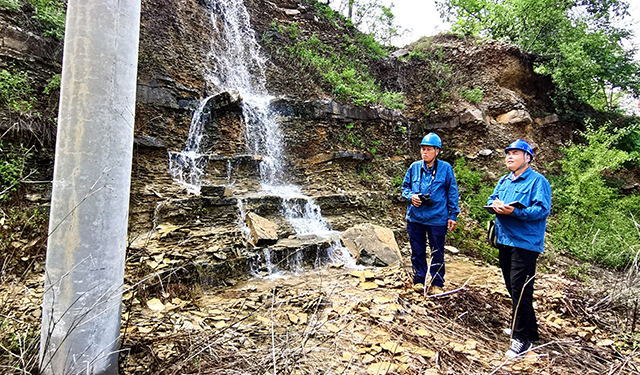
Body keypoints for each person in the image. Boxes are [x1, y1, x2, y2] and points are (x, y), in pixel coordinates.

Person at [487, 139, 551, 359]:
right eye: (508, 154)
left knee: (521, 290)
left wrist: (514, 212)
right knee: (513, 288)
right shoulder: (504, 180)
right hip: (505, 239)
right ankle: (529, 330)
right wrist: (495, 205)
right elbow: (492, 198)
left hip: (525, 243)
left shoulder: (538, 181)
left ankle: (521, 339)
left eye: (515, 153)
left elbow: (542, 210)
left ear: (527, 157)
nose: (509, 157)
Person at [401, 132, 459, 296]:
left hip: (437, 218)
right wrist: (411, 196)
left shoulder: (446, 168)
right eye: (423, 149)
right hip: (415, 217)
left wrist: (453, 215)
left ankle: (437, 283)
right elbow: (405, 188)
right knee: (417, 250)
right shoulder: (414, 167)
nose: (424, 152)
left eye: (428, 149)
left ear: (437, 151)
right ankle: (419, 280)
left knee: (437, 251)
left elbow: (452, 192)